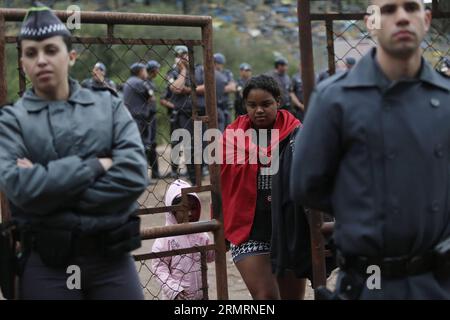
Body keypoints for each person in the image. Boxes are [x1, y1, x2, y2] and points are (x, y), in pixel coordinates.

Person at [292, 0, 450, 299]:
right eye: (388, 10)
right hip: (371, 284)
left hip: (438, 284)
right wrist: (367, 205)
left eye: (411, 8)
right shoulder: (335, 99)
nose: (401, 18)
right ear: (371, 22)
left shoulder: (445, 99)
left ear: (426, 19)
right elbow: (306, 185)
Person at [0, 3, 148, 299]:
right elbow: (19, 187)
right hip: (48, 264)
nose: (41, 60)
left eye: (50, 50)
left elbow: (133, 174)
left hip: (112, 260)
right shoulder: (12, 121)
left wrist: (49, 191)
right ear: (23, 61)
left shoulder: (109, 106)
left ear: (70, 55)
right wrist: (94, 167)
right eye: (31, 53)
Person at [220, 75, 301, 299]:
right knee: (266, 297)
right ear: (244, 105)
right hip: (249, 230)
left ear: (278, 101)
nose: (259, 110)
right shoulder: (231, 137)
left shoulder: (297, 134)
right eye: (252, 105)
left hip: (289, 228)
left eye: (266, 104)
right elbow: (224, 188)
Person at [151, 179, 214, 300]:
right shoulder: (165, 237)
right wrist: (174, 290)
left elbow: (210, 256)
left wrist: (220, 245)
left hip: (201, 296)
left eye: (194, 208)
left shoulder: (200, 233)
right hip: (177, 296)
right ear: (172, 211)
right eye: (184, 209)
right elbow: (159, 268)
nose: (190, 213)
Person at [122, 62, 155, 172]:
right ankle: (142, 173)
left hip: (130, 118)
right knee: (143, 146)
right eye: (144, 70)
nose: (146, 73)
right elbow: (151, 97)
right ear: (140, 72)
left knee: (134, 146)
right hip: (140, 120)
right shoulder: (140, 82)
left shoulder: (128, 82)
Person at [145, 60, 166, 179]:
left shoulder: (151, 82)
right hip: (146, 117)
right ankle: (150, 173)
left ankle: (155, 173)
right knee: (148, 144)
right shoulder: (145, 82)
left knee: (153, 144)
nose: (158, 71)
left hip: (152, 116)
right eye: (157, 69)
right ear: (152, 70)